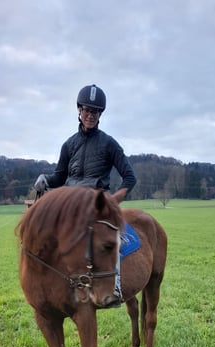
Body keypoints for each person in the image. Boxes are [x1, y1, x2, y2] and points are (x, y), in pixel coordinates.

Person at [31, 84, 137, 308]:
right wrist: (46, 180)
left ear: (100, 115)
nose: (90, 115)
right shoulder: (68, 145)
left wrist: (113, 201)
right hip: (71, 206)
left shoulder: (109, 144)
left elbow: (130, 177)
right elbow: (59, 177)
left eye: (95, 112)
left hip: (97, 206)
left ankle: (114, 286)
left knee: (108, 239)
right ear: (79, 111)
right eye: (86, 110)